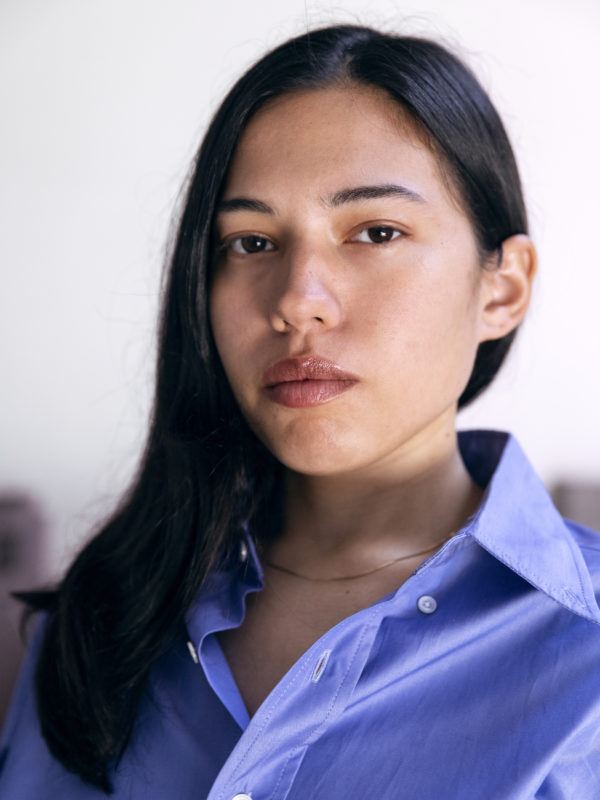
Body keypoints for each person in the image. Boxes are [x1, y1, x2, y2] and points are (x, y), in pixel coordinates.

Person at [1, 21, 599, 800]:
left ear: (502, 287)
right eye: (250, 243)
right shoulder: (100, 616)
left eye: (375, 232)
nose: (296, 302)